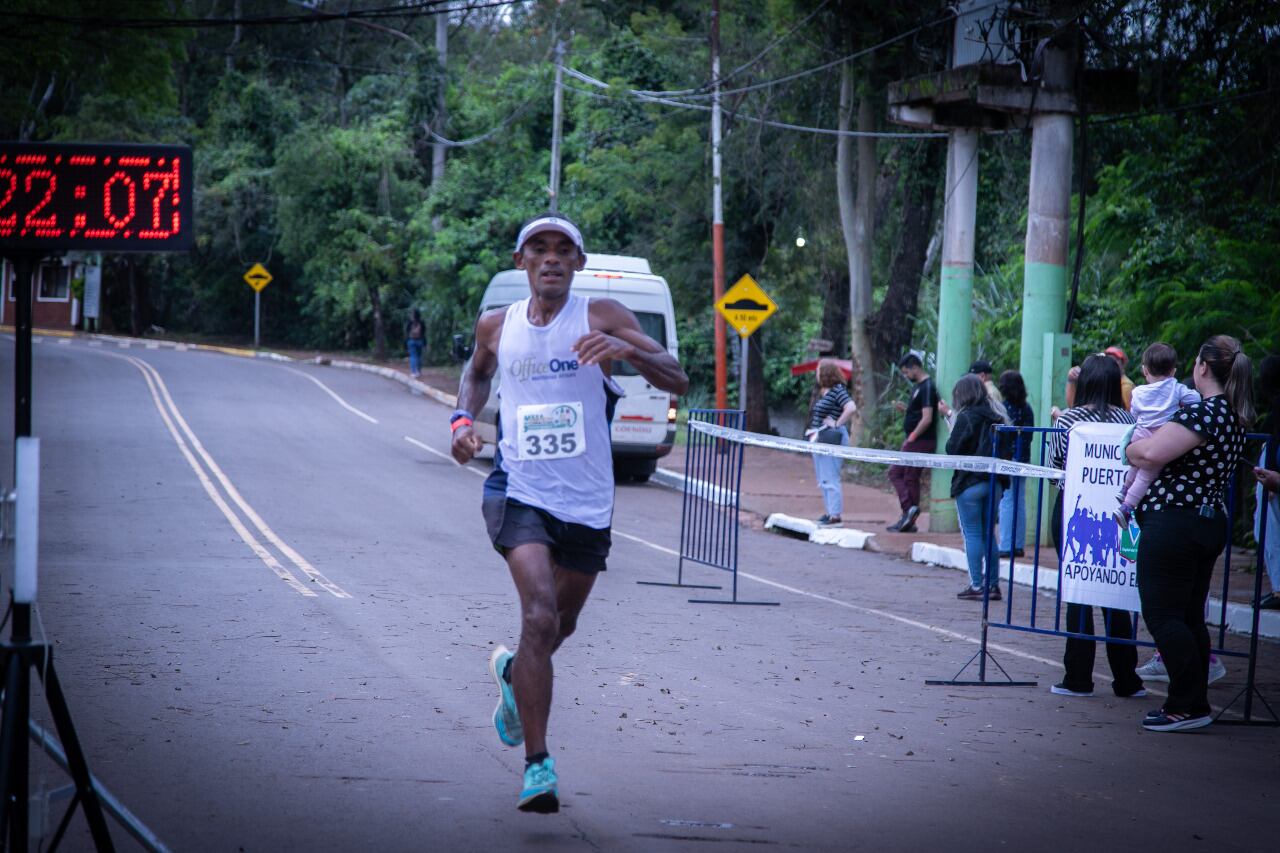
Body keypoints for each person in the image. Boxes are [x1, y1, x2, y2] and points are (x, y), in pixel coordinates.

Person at [450, 213, 688, 810]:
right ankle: (538, 766)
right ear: (521, 261)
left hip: (585, 499)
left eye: (563, 250)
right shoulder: (496, 326)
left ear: (577, 264)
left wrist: (625, 349)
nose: (551, 258)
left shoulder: (602, 315)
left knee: (561, 625)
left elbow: (678, 378)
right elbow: (475, 377)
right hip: (518, 488)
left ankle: (513, 678)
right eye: (539, 249)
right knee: (538, 616)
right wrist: (460, 421)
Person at [1126, 334, 1252, 732]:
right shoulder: (1232, 414)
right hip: (1203, 521)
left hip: (1175, 522)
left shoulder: (1205, 414)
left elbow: (1148, 453)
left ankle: (1184, 702)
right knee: (1187, 616)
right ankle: (1194, 701)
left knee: (1163, 615)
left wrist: (1129, 448)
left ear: (1202, 367)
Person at [1046, 354, 1145, 700]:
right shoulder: (1129, 421)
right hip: (1119, 512)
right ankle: (1127, 679)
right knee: (1115, 593)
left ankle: (1078, 677)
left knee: (1078, 591)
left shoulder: (1068, 421)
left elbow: (1056, 468)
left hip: (1075, 512)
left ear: (1084, 382)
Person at [1113, 342, 1201, 528]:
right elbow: (1196, 399)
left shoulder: (1137, 392)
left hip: (1140, 433)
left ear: (1145, 371)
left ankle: (1124, 489)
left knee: (1136, 465)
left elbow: (1134, 414)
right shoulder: (1176, 388)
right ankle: (1126, 508)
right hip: (1160, 438)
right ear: (1173, 371)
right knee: (1145, 476)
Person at [946, 374, 1008, 600]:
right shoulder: (998, 417)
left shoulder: (966, 417)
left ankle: (976, 585)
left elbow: (952, 449)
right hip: (994, 483)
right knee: (989, 534)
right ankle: (993, 585)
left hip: (969, 483)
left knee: (972, 533)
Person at [887, 352, 938, 533]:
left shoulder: (927, 388)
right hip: (915, 438)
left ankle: (909, 510)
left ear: (915, 367)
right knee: (908, 477)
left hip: (920, 440)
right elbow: (917, 413)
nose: (906, 376)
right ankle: (908, 517)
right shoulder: (918, 387)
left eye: (906, 372)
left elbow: (927, 418)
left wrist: (913, 436)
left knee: (897, 473)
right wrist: (906, 411)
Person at [805, 359, 858, 526]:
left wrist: (836, 423)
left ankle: (835, 515)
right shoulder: (824, 392)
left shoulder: (837, 390)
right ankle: (830, 512)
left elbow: (851, 407)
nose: (816, 374)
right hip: (820, 437)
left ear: (826, 373)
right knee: (823, 478)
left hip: (832, 437)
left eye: (819, 370)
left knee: (831, 477)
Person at [996, 370, 1034, 558]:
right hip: (1023, 458)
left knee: (1007, 501)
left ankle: (1005, 544)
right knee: (1020, 501)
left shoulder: (1003, 408)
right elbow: (1028, 436)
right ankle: (1018, 544)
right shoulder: (1027, 408)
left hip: (1008, 459)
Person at [1255, 355, 1280, 610]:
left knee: (1269, 527)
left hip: (1273, 475)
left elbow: (1274, 440)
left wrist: (1272, 471)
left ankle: (1279, 588)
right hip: (1271, 472)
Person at [1060, 345, 1136, 414]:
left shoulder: (1126, 386)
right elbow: (1074, 406)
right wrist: (1071, 380)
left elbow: (1128, 413)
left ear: (1123, 363)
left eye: (1115, 359)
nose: (1110, 361)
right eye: (1108, 358)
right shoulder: (1101, 380)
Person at [406, 308, 426, 378]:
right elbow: (424, 332)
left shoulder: (410, 322)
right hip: (420, 340)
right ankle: (419, 371)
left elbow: (407, 330)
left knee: (413, 356)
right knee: (419, 356)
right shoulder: (421, 322)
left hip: (411, 340)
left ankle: (414, 372)